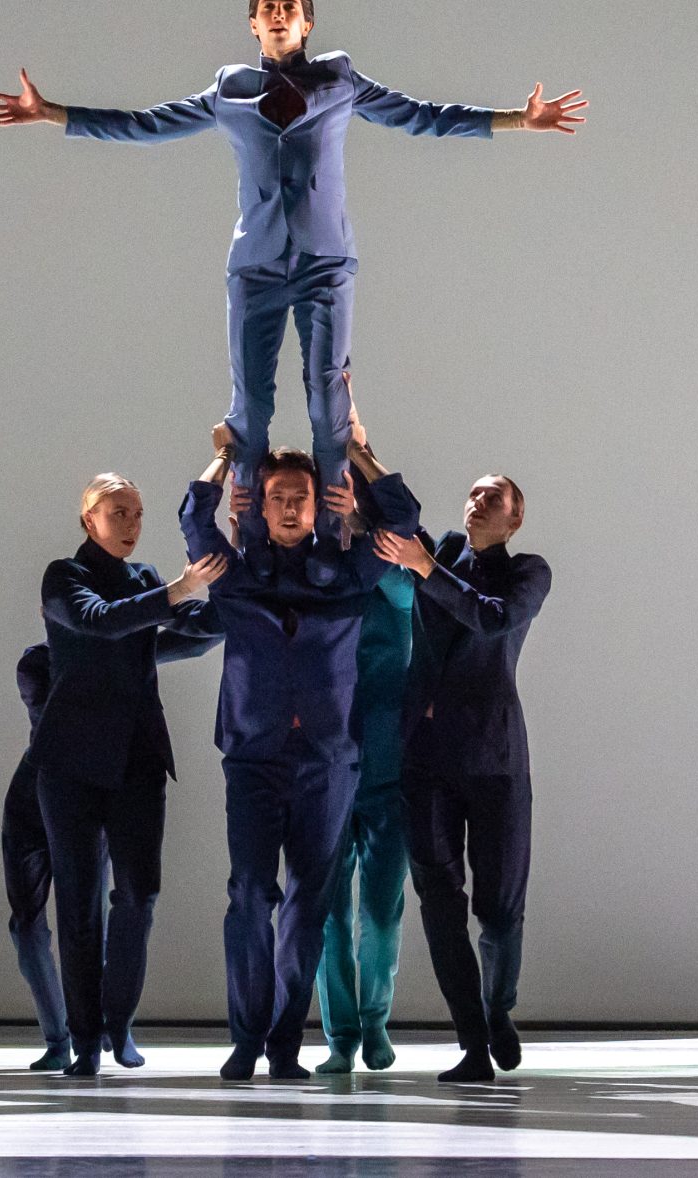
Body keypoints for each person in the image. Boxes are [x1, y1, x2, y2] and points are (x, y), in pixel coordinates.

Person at [0, 0, 581, 495]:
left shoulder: (339, 78)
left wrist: (517, 120)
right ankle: (249, 533)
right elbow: (145, 124)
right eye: (267, 6)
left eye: (288, 6)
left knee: (327, 399)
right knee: (250, 405)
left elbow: (421, 116)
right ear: (253, 25)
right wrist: (53, 112)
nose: (277, 12)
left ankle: (335, 528)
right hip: (257, 263)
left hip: (325, 262)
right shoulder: (228, 89)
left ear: (306, 23)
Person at [179, 427, 421, 1080]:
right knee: (250, 895)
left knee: (309, 904)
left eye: (300, 498)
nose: (288, 508)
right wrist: (226, 458)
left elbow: (402, 519)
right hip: (253, 759)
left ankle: (285, 1045)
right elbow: (193, 519)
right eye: (277, 497)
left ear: (319, 505)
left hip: (328, 762)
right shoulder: (235, 575)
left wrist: (359, 460)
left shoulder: (348, 573)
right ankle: (247, 1038)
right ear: (259, 504)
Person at [359, 428, 553, 1084]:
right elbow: (394, 515)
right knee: (438, 901)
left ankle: (498, 1008)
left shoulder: (528, 572)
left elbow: (492, 618)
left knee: (499, 909)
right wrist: (359, 450)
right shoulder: (437, 551)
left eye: (493, 497)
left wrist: (424, 569)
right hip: (426, 760)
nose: (477, 501)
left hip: (495, 761)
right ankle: (471, 1040)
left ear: (515, 517)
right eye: (472, 493)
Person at [30, 473, 228, 1075]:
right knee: (79, 905)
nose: (132, 524)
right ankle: (86, 1039)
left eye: (138, 513)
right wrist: (178, 592)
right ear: (89, 518)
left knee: (139, 895)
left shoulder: (145, 580)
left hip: (137, 761)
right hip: (70, 764)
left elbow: (190, 633)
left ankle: (118, 1022)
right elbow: (99, 622)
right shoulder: (64, 576)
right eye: (119, 512)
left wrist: (236, 596)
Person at [313, 429, 416, 1077]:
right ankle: (340, 1036)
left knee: (380, 910)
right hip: (323, 764)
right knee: (326, 914)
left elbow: (406, 595)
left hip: (386, 763)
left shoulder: (392, 557)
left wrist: (361, 521)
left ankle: (375, 1020)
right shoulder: (313, 565)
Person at [3, 643, 77, 1072]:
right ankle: (63, 1037)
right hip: (43, 794)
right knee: (31, 925)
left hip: (64, 793)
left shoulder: (45, 660)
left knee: (75, 921)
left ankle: (73, 1034)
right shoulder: (38, 662)